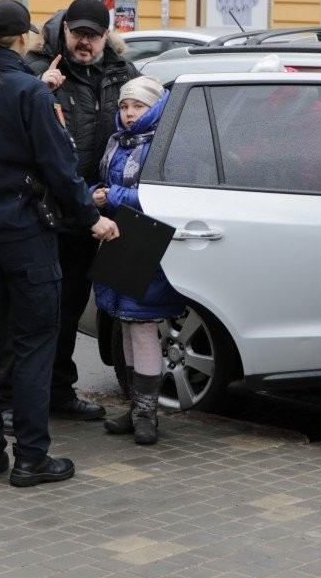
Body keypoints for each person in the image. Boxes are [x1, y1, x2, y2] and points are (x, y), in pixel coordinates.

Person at [0, 0, 119, 487]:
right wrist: (92, 219)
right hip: (25, 238)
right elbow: (60, 171)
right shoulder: (31, 92)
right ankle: (31, 458)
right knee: (33, 347)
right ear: (26, 37)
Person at [0, 0, 140, 434]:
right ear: (64, 32)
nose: (85, 42)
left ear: (104, 37)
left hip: (92, 215)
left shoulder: (122, 74)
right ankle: (7, 399)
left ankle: (58, 391)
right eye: (78, 34)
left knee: (71, 309)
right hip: (45, 214)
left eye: (93, 35)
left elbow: (142, 122)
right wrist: (45, 85)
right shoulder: (39, 70)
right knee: (30, 311)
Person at [91, 75, 185, 445]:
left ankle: (148, 414)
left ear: (156, 107)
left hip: (149, 247)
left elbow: (161, 198)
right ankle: (134, 408)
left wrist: (108, 196)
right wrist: (94, 196)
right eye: (124, 107)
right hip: (118, 243)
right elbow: (103, 185)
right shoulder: (119, 142)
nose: (129, 114)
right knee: (127, 326)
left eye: (139, 107)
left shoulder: (166, 144)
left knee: (143, 328)